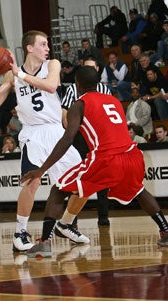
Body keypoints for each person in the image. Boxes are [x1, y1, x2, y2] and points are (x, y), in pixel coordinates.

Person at [21, 66, 168, 258]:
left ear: (77, 85)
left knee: (58, 189)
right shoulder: (114, 100)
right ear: (98, 83)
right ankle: (167, 231)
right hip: (132, 156)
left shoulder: (78, 105)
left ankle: (44, 243)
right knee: (139, 190)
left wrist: (41, 169)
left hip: (106, 158)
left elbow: (67, 139)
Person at [0, 30, 82, 252]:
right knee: (33, 181)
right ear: (30, 48)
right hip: (33, 133)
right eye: (42, 44)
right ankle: (20, 232)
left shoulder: (53, 65)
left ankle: (66, 224)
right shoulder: (12, 75)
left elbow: (50, 86)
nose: (47, 48)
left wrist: (19, 74)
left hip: (55, 131)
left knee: (82, 183)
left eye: (47, 44)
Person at [62, 56, 111, 226]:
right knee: (78, 178)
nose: (89, 70)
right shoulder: (72, 91)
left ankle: (103, 217)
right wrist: (72, 131)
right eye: (86, 67)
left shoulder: (105, 89)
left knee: (102, 178)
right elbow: (64, 113)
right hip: (79, 138)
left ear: (97, 70)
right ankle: (71, 220)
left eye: (92, 67)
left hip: (99, 139)